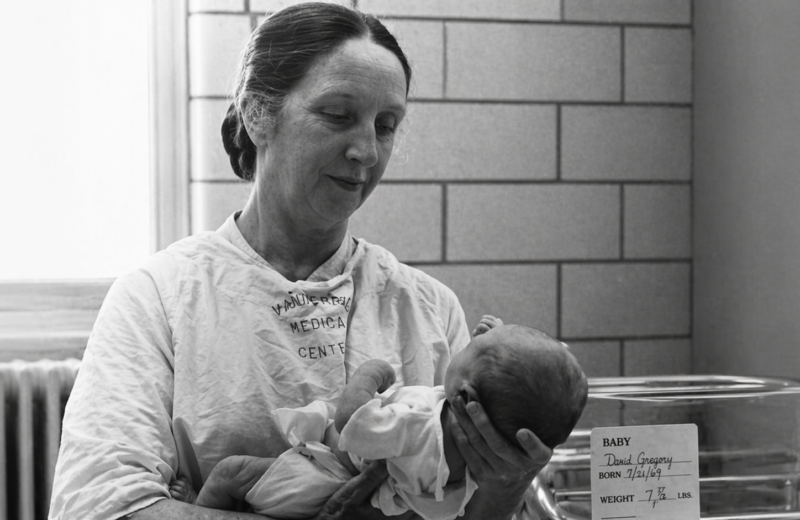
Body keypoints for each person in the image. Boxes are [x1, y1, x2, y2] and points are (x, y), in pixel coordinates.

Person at [48, 3, 553, 519]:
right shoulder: (158, 298)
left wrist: (506, 485)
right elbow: (98, 507)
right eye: (337, 116)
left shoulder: (427, 308)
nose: (366, 152)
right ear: (257, 113)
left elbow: (466, 506)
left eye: (385, 125)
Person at [169, 321, 588, 520]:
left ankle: (199, 503)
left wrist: (370, 376)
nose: (472, 338)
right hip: (357, 496)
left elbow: (352, 424)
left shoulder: (421, 426)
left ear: (465, 398)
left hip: (326, 478)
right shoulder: (472, 458)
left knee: (233, 473)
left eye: (474, 347)